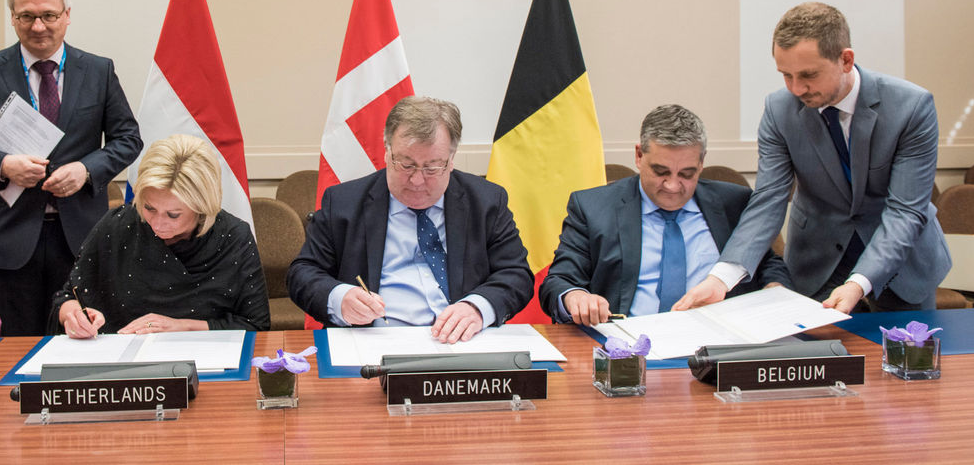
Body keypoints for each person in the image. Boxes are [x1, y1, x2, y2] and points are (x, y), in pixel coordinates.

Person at [677, 2, 950, 314]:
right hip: (819, 264)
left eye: (809, 75)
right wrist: (722, 278)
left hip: (902, 267)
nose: (796, 89)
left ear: (846, 60)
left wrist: (859, 282)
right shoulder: (779, 110)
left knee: (904, 347)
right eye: (786, 75)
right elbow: (768, 199)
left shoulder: (911, 107)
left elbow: (905, 211)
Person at [0, 0, 142, 335]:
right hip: (9, 238)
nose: (38, 26)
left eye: (48, 15)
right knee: (11, 346)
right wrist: (3, 165)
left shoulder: (98, 70)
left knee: (81, 343)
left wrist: (86, 169)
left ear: (67, 15)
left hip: (80, 237)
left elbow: (128, 138)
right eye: (27, 16)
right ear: (13, 18)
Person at [287, 96, 533, 344]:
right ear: (387, 153)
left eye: (432, 168)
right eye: (406, 165)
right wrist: (340, 298)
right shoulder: (344, 202)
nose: (417, 180)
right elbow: (303, 273)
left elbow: (516, 274)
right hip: (372, 341)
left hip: (462, 342)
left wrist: (477, 309)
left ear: (451, 160)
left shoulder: (486, 201)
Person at [538, 105, 790, 325]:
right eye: (661, 172)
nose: (672, 186)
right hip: (628, 344)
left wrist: (774, 288)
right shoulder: (593, 207)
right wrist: (575, 296)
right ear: (639, 155)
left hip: (717, 343)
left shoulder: (733, 203)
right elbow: (559, 281)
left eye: (687, 174)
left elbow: (767, 264)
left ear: (702, 162)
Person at [55, 135, 270, 335]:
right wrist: (73, 315)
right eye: (149, 208)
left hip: (205, 357)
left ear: (202, 207)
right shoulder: (118, 225)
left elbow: (256, 324)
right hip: (121, 355)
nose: (157, 224)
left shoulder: (233, 237)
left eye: (173, 215)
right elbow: (66, 298)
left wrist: (182, 326)